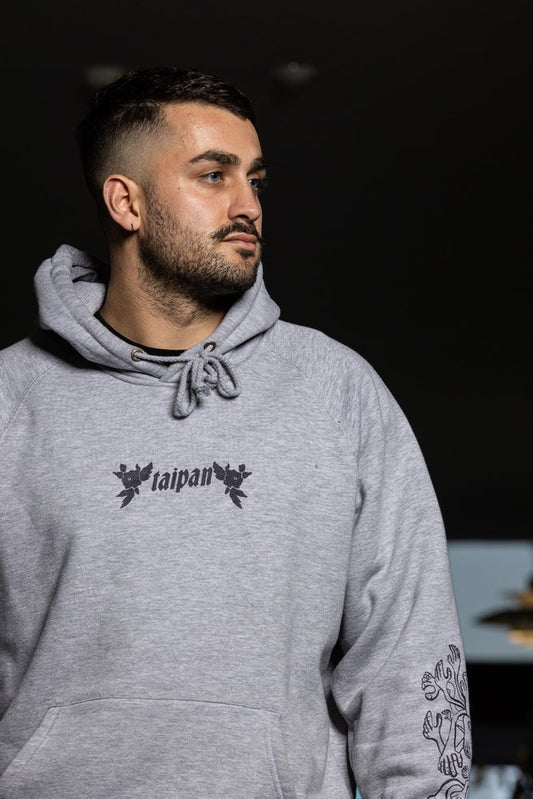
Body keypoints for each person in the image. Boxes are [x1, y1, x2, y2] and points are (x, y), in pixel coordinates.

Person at [0, 66, 472, 798]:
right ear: (126, 201)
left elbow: (406, 660)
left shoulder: (337, 391)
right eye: (213, 175)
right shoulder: (11, 398)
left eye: (255, 179)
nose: (248, 203)